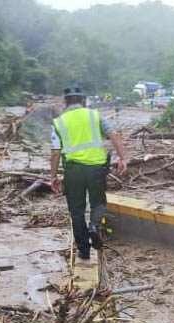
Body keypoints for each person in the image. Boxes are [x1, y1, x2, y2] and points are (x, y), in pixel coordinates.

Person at [50, 87, 128, 260]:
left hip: (73, 171)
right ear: (83, 100)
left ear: (65, 102)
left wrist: (53, 176)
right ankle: (94, 225)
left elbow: (55, 152)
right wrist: (123, 158)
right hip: (96, 168)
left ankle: (84, 251)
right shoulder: (95, 115)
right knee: (98, 202)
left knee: (76, 211)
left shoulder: (58, 122)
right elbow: (113, 134)